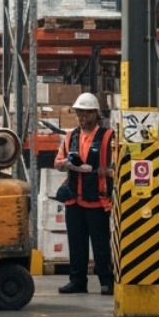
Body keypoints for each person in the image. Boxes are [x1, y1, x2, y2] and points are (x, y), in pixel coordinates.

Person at [54, 92, 115, 295]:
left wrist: (98, 170)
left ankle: (107, 281)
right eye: (79, 113)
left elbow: (115, 166)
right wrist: (67, 164)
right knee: (76, 242)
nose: (82, 117)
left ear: (96, 114)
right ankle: (77, 280)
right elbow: (58, 162)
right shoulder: (71, 136)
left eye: (86, 113)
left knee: (100, 243)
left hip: (97, 198)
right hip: (74, 198)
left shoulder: (107, 136)